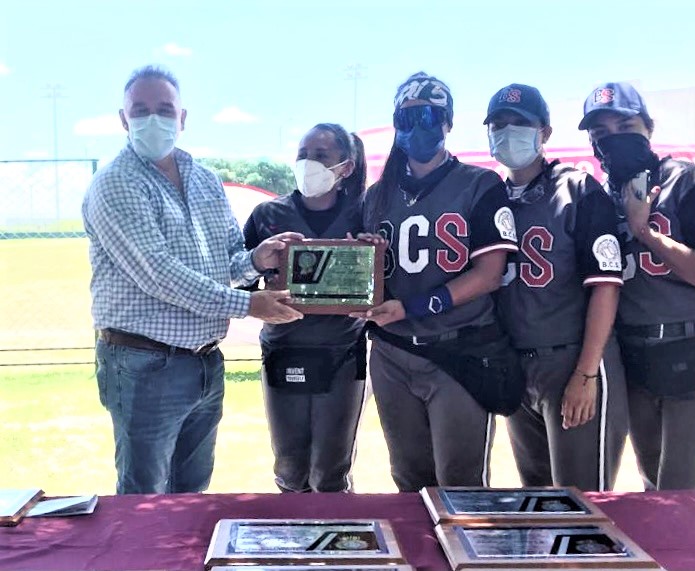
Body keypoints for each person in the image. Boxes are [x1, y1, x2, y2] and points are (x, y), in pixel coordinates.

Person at [82, 65, 303, 495]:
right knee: (144, 499)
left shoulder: (203, 180)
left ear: (183, 117)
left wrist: (256, 260)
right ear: (123, 119)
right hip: (144, 365)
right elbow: (159, 274)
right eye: (140, 109)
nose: (153, 119)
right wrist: (248, 305)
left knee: (191, 496)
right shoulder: (116, 184)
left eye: (164, 109)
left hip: (203, 362)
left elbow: (224, 261)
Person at [354, 72, 522, 492]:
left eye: (429, 116)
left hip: (458, 348)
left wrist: (413, 307)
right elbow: (370, 278)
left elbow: (490, 273)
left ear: (447, 122)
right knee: (409, 481)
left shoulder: (480, 184)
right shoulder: (377, 196)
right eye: (407, 118)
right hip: (393, 353)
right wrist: (365, 265)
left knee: (461, 485)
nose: (418, 126)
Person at [578, 81, 695, 490]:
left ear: (649, 127)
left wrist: (645, 232)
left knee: (684, 492)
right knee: (653, 487)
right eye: (601, 133)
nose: (613, 138)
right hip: (638, 359)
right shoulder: (600, 198)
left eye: (625, 125)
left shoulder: (689, 183)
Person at [485, 84, 628, 491]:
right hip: (517, 364)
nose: (507, 131)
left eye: (520, 123)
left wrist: (585, 374)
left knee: (583, 503)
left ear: (544, 132)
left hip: (570, 359)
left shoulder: (579, 189)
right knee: (538, 498)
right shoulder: (489, 195)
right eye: (498, 124)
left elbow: (606, 286)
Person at [242, 123, 368, 493]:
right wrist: (262, 263)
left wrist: (370, 251)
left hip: (343, 352)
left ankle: (336, 547)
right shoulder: (267, 215)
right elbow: (241, 281)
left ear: (345, 167)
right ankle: (292, 545)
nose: (309, 162)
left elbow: (385, 282)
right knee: (290, 466)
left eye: (321, 155)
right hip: (283, 349)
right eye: (303, 154)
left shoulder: (364, 213)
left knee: (331, 470)